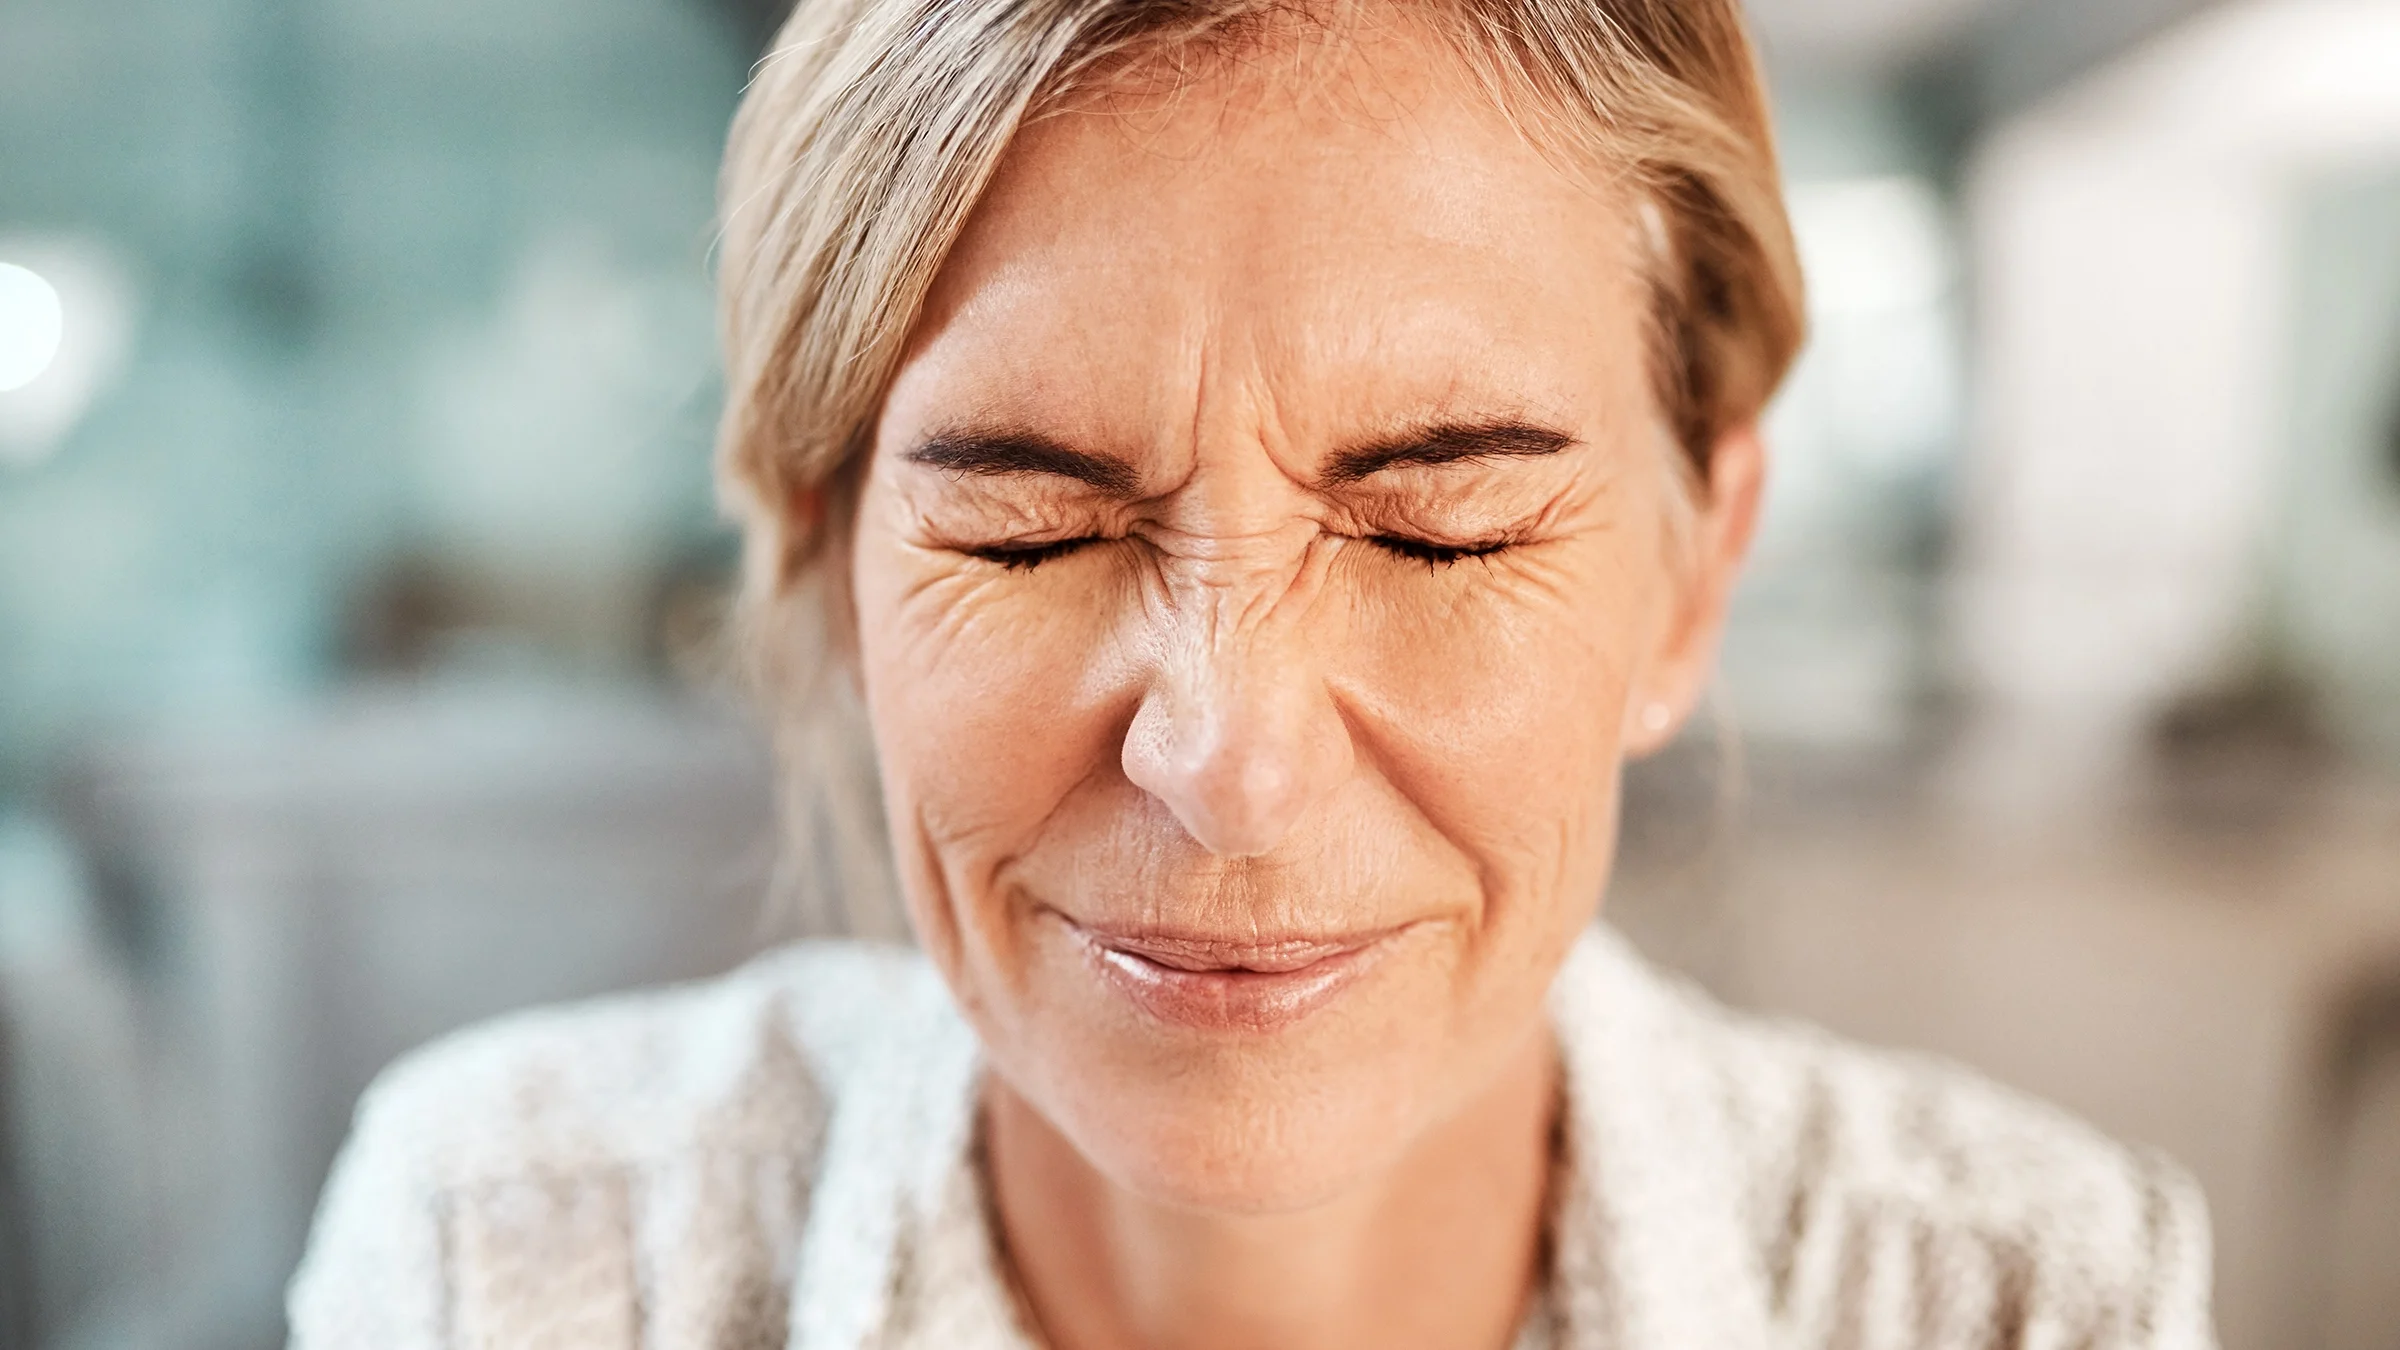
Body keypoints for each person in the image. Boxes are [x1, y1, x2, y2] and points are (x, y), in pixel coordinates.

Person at [287, 1, 2217, 1346]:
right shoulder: (523, 1256)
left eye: (1436, 529)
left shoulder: (2024, 1299)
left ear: (1693, 573)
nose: (1231, 753)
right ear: (828, 567)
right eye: (1029, 532)